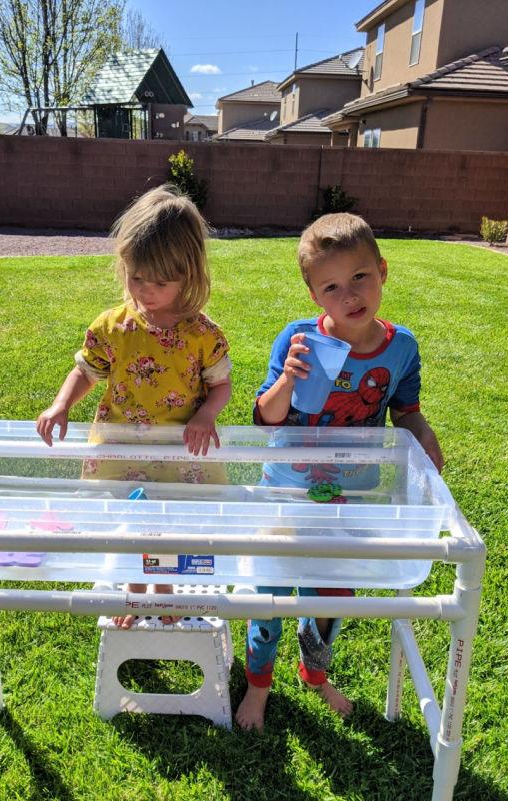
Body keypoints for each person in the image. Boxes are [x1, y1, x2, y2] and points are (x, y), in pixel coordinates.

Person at [236, 212, 443, 732]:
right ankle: (258, 685)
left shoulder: (402, 348)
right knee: (271, 589)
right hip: (285, 487)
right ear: (314, 296)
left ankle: (314, 674)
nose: (350, 295)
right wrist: (288, 377)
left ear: (383, 271)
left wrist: (429, 456)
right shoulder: (297, 338)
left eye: (360, 278)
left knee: (331, 596)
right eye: (332, 286)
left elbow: (407, 413)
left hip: (352, 494)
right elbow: (265, 419)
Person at [36, 184, 232, 628]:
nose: (145, 290)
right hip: (122, 445)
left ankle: (162, 593)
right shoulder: (112, 326)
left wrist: (206, 415)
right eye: (136, 276)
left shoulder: (203, 334)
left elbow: (221, 386)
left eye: (160, 282)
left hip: (179, 450)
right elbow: (87, 371)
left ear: (189, 275)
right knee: (131, 522)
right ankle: (133, 589)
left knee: (167, 522)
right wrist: (61, 404)